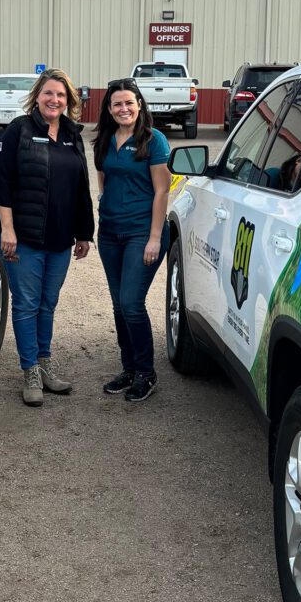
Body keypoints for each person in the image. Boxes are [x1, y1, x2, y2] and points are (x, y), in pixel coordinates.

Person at [0, 68, 95, 407]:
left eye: (61, 95)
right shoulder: (18, 130)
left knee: (48, 303)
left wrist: (84, 233)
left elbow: (81, 187)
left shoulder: (72, 135)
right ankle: (30, 370)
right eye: (49, 93)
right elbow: (0, 183)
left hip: (60, 238)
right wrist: (7, 229)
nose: (54, 100)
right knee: (26, 304)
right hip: (23, 237)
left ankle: (45, 363)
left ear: (69, 101)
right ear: (37, 96)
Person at [93, 78, 171, 403]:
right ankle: (129, 369)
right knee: (118, 305)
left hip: (143, 232)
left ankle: (146, 373)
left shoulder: (153, 140)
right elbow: (103, 175)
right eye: (117, 104)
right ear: (109, 109)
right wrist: (104, 202)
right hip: (110, 233)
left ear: (139, 105)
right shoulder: (105, 139)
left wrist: (154, 237)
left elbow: (162, 191)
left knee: (131, 303)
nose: (123, 108)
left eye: (129, 102)